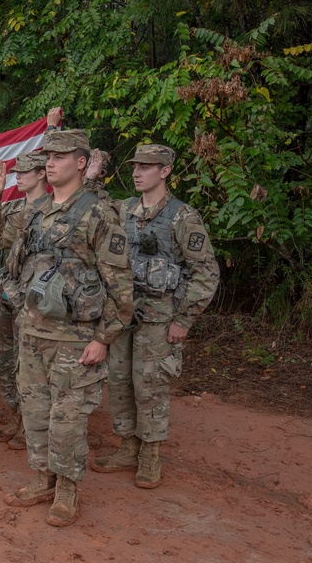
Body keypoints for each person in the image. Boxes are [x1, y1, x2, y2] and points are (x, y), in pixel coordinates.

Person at [3, 129, 134, 527]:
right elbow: (7, 255)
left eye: (60, 156)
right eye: (48, 156)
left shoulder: (98, 213)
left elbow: (121, 287)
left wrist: (103, 338)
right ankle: (43, 478)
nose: (50, 162)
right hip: (33, 333)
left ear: (81, 162)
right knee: (36, 412)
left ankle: (67, 490)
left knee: (68, 419)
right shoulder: (36, 212)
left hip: (76, 338)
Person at [91, 144, 219, 488]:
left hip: (159, 318)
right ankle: (127, 446)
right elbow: (91, 209)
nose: (137, 172)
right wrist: (91, 175)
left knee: (149, 385)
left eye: (146, 166)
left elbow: (206, 272)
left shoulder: (182, 216)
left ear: (164, 171)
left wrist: (184, 319)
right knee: (118, 382)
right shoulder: (125, 209)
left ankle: (150, 455)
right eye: (135, 165)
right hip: (122, 315)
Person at [0, 151, 49, 450]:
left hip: (33, 301)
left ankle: (32, 425)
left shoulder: (51, 208)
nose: (18, 175)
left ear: (42, 173)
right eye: (16, 171)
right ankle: (17, 415)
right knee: (6, 360)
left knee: (29, 365)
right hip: (7, 293)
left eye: (25, 171)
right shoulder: (14, 207)